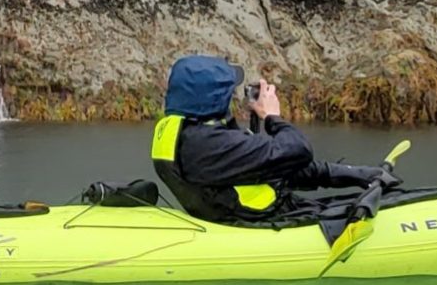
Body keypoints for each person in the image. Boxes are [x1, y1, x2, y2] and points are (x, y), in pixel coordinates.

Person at [150, 55, 397, 225]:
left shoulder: (184, 132)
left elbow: (273, 166)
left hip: (236, 214)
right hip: (260, 222)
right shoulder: (206, 146)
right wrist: (271, 117)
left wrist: (356, 174)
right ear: (214, 99)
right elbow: (298, 150)